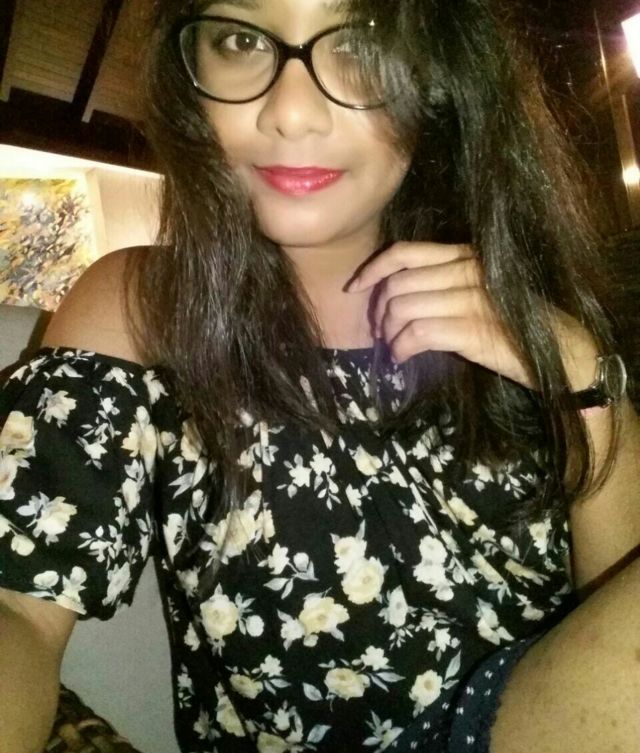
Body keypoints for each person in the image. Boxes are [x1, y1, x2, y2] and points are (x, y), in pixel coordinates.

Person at [1, 0, 639, 751]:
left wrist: (578, 374)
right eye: (240, 39)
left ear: (438, 79)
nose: (291, 112)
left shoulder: (524, 303)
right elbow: (17, 611)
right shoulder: (143, 309)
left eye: (362, 42)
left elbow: (613, 603)